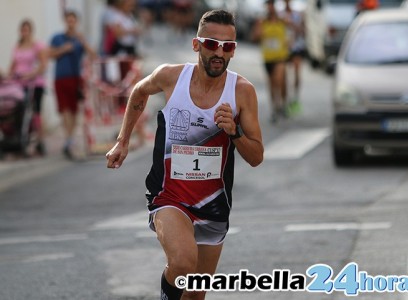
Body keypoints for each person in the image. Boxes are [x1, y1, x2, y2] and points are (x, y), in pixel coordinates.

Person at [106, 9, 263, 300]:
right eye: (212, 44)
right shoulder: (171, 77)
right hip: (170, 196)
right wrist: (122, 141)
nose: (219, 53)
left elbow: (256, 157)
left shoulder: (242, 92)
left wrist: (234, 132)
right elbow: (139, 93)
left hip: (213, 203)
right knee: (182, 263)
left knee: (195, 294)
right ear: (197, 45)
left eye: (227, 47)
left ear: (234, 50)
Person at [49, 10, 96, 159]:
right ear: (65, 21)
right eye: (68, 20)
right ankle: (69, 140)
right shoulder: (57, 38)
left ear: (76, 22)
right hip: (61, 77)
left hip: (76, 78)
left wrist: (83, 42)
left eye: (73, 20)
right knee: (64, 110)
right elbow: (49, 54)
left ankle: (69, 140)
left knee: (74, 110)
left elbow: (93, 55)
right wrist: (64, 48)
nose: (71, 23)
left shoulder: (79, 39)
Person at [8, 19, 48, 155]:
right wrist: (9, 78)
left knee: (36, 111)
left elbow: (43, 65)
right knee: (19, 111)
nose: (25, 33)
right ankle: (19, 137)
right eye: (23, 30)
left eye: (27, 30)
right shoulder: (17, 47)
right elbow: (12, 66)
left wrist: (31, 74)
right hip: (19, 84)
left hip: (34, 83)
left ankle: (40, 140)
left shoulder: (37, 46)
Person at [252, 0, 290, 123]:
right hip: (268, 58)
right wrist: (259, 32)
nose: (270, 7)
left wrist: (290, 40)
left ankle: (281, 104)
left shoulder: (282, 21)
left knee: (279, 81)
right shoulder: (262, 22)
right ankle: (274, 108)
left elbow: (293, 30)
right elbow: (254, 37)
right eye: (268, 5)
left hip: (280, 57)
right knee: (272, 84)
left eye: (272, 4)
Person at [280, 0, 306, 116]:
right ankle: (284, 101)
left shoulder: (297, 14)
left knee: (297, 72)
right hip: (283, 48)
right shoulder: (280, 14)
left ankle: (295, 98)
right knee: (283, 75)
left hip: (296, 47)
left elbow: (302, 30)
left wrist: (292, 24)